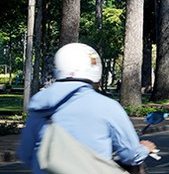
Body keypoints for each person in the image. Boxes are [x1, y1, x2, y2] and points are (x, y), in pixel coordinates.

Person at [18, 43, 156, 173]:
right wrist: (143, 149)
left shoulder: (40, 107)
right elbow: (131, 155)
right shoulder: (107, 107)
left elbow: (26, 154)